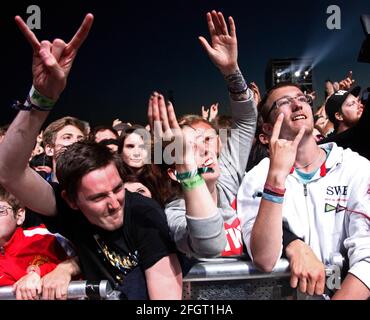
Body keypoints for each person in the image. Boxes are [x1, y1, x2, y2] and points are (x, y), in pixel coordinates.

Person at [0, 13, 182, 300]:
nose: (114, 203)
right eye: (98, 197)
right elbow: (8, 171)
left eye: (117, 189)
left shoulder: (144, 215)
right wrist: (41, 99)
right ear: (71, 201)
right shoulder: (66, 212)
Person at [237, 82, 370, 299]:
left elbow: (367, 256)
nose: (297, 105)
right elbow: (264, 258)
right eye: (284, 103)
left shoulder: (354, 167)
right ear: (269, 129)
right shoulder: (257, 177)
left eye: (301, 98)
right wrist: (276, 177)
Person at [151, 10, 257, 258]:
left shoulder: (228, 178)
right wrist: (188, 168)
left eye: (208, 140)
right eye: (190, 147)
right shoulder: (175, 214)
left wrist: (231, 71)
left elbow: (246, 120)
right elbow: (210, 246)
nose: (204, 150)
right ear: (175, 172)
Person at [0, 185, 79, 300]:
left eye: (0, 211)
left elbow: (87, 260)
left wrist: (40, 273)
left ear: (19, 215)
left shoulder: (46, 237)